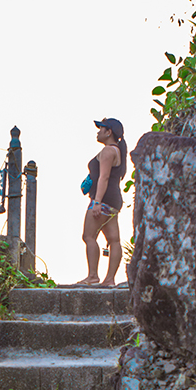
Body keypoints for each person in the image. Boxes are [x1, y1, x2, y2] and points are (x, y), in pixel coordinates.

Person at [78, 117, 127, 287]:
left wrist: (97, 202)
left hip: (103, 199)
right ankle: (110, 280)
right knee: (113, 239)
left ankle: (92, 276)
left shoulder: (108, 151)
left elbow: (104, 177)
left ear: (109, 132)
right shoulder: (117, 151)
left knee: (89, 236)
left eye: (101, 128)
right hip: (114, 200)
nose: (98, 131)